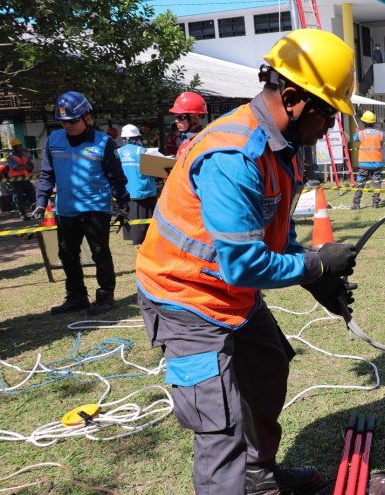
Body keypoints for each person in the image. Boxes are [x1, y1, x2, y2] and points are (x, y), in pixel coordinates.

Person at [135, 28, 358, 495]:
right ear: (294, 98)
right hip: (185, 298)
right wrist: (317, 267)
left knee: (267, 368)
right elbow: (242, 264)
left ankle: (257, 476)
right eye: (329, 115)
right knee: (221, 428)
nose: (331, 128)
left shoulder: (284, 151)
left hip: (233, 295)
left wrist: (311, 274)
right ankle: (235, 479)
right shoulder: (234, 155)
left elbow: (274, 237)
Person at [33, 91, 131, 316]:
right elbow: (47, 175)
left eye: (72, 120)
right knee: (67, 253)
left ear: (87, 117)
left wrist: (123, 202)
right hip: (66, 209)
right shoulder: (53, 141)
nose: (68, 125)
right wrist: (41, 201)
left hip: (95, 208)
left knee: (99, 252)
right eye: (63, 121)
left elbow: (116, 177)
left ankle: (105, 296)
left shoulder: (104, 142)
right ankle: (77, 297)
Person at [119, 124, 158, 246]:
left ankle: (130, 236)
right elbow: (153, 170)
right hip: (143, 189)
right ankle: (141, 240)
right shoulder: (142, 151)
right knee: (143, 218)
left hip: (126, 190)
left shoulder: (118, 152)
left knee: (131, 214)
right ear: (137, 137)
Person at [351, 110, 385, 210]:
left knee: (360, 183)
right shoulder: (380, 134)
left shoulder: (361, 134)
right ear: (374, 122)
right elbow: (381, 145)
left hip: (364, 164)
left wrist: (357, 131)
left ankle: (356, 204)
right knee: (377, 184)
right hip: (377, 164)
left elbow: (355, 138)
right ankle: (375, 203)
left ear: (364, 123)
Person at [171, 91, 208, 157]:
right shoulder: (187, 138)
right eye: (175, 117)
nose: (176, 121)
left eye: (181, 117)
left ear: (194, 118)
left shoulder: (202, 142)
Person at [7, 137, 36, 220]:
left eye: (20, 145)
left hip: (25, 178)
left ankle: (35, 212)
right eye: (18, 146)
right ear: (14, 147)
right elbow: (16, 168)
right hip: (16, 180)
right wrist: (26, 166)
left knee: (32, 196)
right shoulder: (10, 157)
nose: (20, 147)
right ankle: (23, 214)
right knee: (18, 198)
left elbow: (31, 167)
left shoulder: (25, 155)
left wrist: (25, 167)